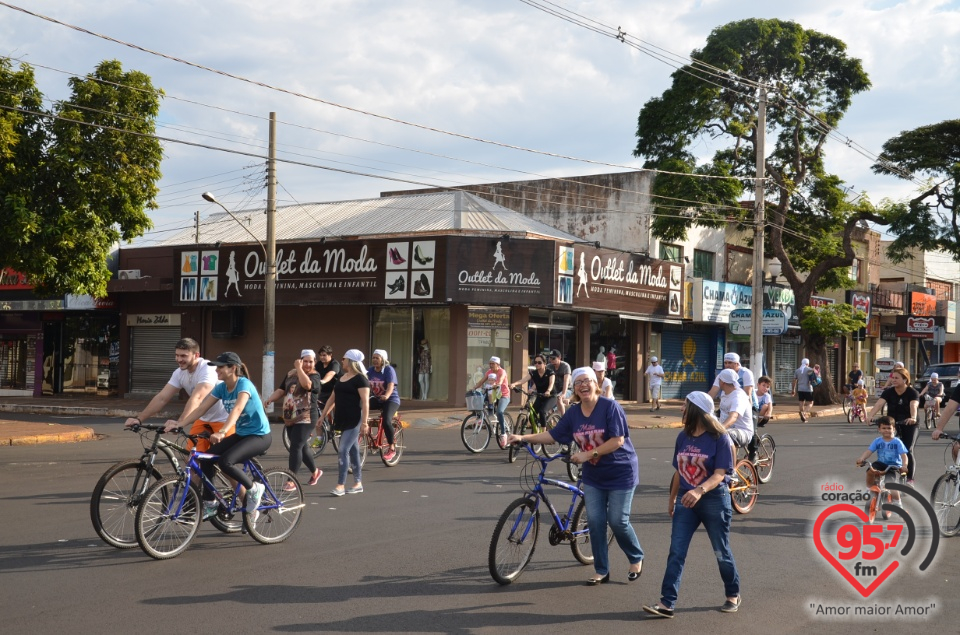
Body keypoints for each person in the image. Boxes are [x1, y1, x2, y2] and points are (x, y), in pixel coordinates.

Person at [507, 367, 643, 585]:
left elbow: (618, 440)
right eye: (578, 382)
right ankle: (601, 570)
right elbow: (553, 435)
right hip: (593, 475)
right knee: (597, 521)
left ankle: (636, 557)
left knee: (617, 521)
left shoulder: (610, 407)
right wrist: (523, 437)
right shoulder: (573, 413)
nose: (583, 385)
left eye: (587, 381)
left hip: (621, 471)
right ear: (575, 389)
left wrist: (588, 454)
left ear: (595, 384)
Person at [642, 391, 741, 618]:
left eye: (684, 405)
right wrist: (672, 499)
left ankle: (732, 594)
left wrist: (699, 490)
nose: (681, 409)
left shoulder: (720, 438)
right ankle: (667, 603)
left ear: (695, 409)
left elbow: (719, 474)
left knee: (721, 551)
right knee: (676, 551)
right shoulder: (683, 437)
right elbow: (679, 471)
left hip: (714, 500)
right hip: (686, 501)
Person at [165, 352, 271, 521]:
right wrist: (180, 423)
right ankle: (210, 502)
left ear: (233, 368)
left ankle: (254, 489)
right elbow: (201, 409)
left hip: (259, 436)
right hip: (242, 434)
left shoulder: (244, 384)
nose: (217, 370)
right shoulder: (221, 387)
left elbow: (236, 410)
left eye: (221, 367)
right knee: (207, 458)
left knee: (225, 461)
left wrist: (222, 431)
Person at [125, 337, 229, 454]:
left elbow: (197, 398)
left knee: (223, 462)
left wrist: (180, 423)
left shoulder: (208, 368)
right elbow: (162, 398)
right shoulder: (179, 373)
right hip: (203, 418)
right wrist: (139, 419)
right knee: (193, 460)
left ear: (196, 355)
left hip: (224, 419)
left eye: (183, 356)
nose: (179, 359)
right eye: (177, 355)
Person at [264, 349, 322, 490]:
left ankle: (292, 479)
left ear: (314, 362)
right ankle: (315, 471)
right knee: (301, 446)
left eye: (310, 361)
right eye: (305, 361)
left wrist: (299, 368)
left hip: (307, 416)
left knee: (296, 446)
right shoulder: (291, 373)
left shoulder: (315, 376)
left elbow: (307, 385)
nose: (307, 364)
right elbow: (282, 389)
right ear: (301, 360)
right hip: (291, 415)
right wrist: (270, 399)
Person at [322, 349, 370, 496]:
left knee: (343, 450)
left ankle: (340, 485)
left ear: (350, 361)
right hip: (342, 419)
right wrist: (323, 415)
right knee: (354, 449)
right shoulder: (342, 378)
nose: (341, 361)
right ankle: (358, 483)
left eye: (344, 358)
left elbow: (365, 402)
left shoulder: (361, 379)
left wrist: (364, 423)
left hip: (354, 420)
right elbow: (332, 399)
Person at [865, 367, 919, 485]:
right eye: (892, 378)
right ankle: (889, 469)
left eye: (897, 378)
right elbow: (879, 404)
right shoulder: (888, 392)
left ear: (905, 379)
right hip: (892, 423)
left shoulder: (912, 392)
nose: (893, 380)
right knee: (890, 447)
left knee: (908, 449)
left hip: (909, 423)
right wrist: (870, 416)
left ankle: (909, 479)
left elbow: (913, 405)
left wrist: (913, 418)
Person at [856, 416, 908, 504]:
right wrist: (862, 458)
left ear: (894, 429)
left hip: (893, 465)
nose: (886, 430)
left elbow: (904, 455)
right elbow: (869, 451)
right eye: (884, 428)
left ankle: (897, 503)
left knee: (891, 485)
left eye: (889, 428)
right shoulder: (877, 441)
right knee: (870, 471)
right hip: (881, 463)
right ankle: (869, 489)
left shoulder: (897, 442)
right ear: (879, 429)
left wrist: (904, 465)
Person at [716, 368, 756, 462]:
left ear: (723, 382)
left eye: (719, 379)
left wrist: (718, 429)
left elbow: (733, 417)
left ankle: (732, 471)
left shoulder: (738, 396)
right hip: (727, 428)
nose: (718, 381)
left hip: (743, 432)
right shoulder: (724, 393)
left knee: (726, 435)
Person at [367, 349, 400, 462]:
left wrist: (386, 395)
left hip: (391, 400)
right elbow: (364, 383)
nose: (375, 360)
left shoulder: (388, 370)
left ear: (383, 360)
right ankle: (366, 430)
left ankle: (391, 447)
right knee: (359, 406)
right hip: (377, 398)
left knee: (386, 420)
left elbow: (391, 385)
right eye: (373, 358)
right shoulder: (370, 370)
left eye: (377, 358)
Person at [510, 353, 556, 429]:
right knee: (532, 415)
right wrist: (514, 384)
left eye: (539, 362)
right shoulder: (533, 373)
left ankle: (543, 435)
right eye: (535, 362)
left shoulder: (550, 372)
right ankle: (536, 432)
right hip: (539, 395)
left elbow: (551, 384)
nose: (537, 364)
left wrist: (548, 391)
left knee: (542, 411)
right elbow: (523, 380)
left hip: (550, 396)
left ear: (545, 363)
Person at [473, 356, 510, 447]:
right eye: (490, 363)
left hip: (503, 395)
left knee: (500, 412)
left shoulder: (502, 371)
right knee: (481, 401)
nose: (491, 365)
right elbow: (481, 381)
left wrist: (498, 385)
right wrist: (474, 388)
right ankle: (480, 418)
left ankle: (503, 434)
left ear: (498, 364)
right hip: (493, 394)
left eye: (492, 364)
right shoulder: (489, 372)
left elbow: (501, 380)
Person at [315, 345, 341, 411]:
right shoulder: (319, 364)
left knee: (330, 411)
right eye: (320, 355)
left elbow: (331, 373)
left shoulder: (334, 363)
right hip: (323, 391)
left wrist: (323, 381)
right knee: (318, 407)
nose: (322, 357)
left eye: (324, 355)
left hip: (335, 392)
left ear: (330, 355)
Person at [548, 349, 572, 416]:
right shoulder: (549, 366)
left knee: (559, 398)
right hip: (555, 390)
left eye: (553, 358)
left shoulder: (565, 366)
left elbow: (566, 381)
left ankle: (563, 419)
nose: (551, 360)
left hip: (567, 389)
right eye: (550, 358)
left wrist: (564, 393)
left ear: (559, 357)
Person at [791, 358, 814, 422]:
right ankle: (804, 413)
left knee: (801, 402)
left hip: (800, 389)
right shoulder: (810, 370)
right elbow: (814, 378)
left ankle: (803, 416)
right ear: (807, 363)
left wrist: (793, 389)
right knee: (810, 402)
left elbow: (794, 381)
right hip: (808, 389)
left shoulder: (797, 370)